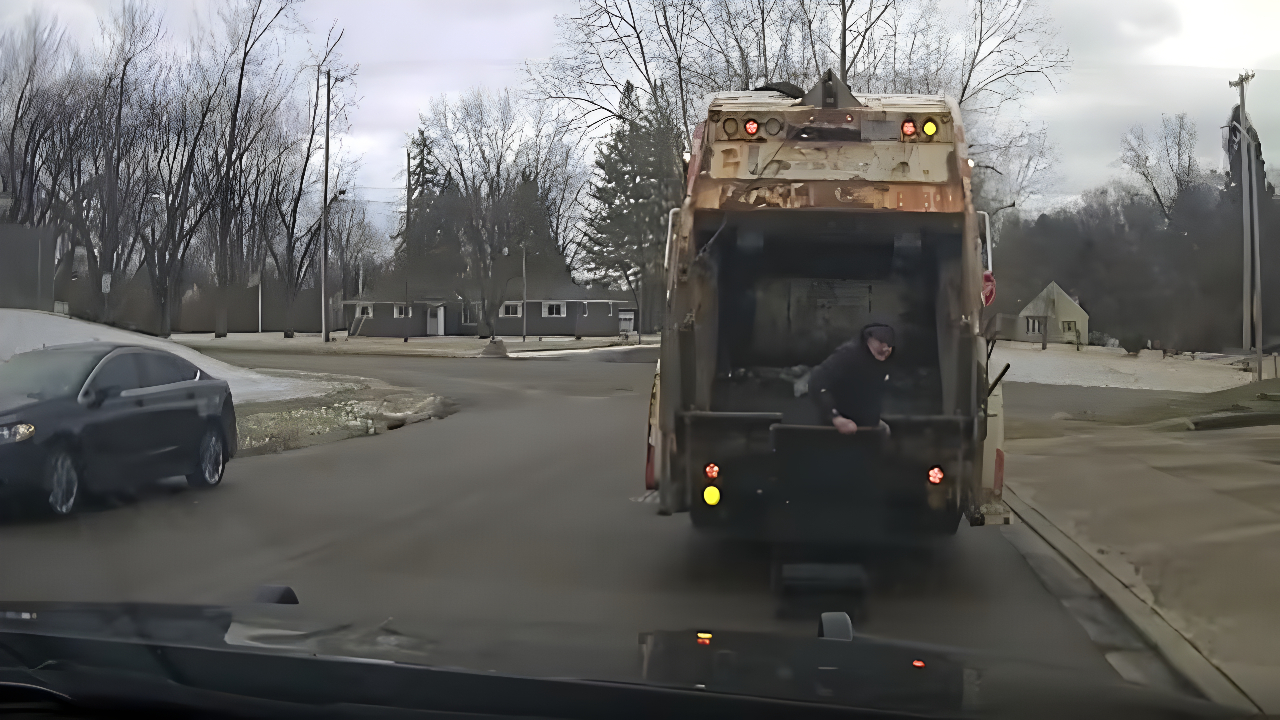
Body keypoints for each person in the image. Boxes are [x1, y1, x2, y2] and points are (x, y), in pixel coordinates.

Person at [809, 323, 894, 435]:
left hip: (868, 424)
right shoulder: (846, 356)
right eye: (880, 342)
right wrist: (835, 417)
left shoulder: (883, 359)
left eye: (888, 344)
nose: (885, 348)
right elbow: (816, 382)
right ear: (869, 340)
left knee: (885, 431)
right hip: (840, 425)